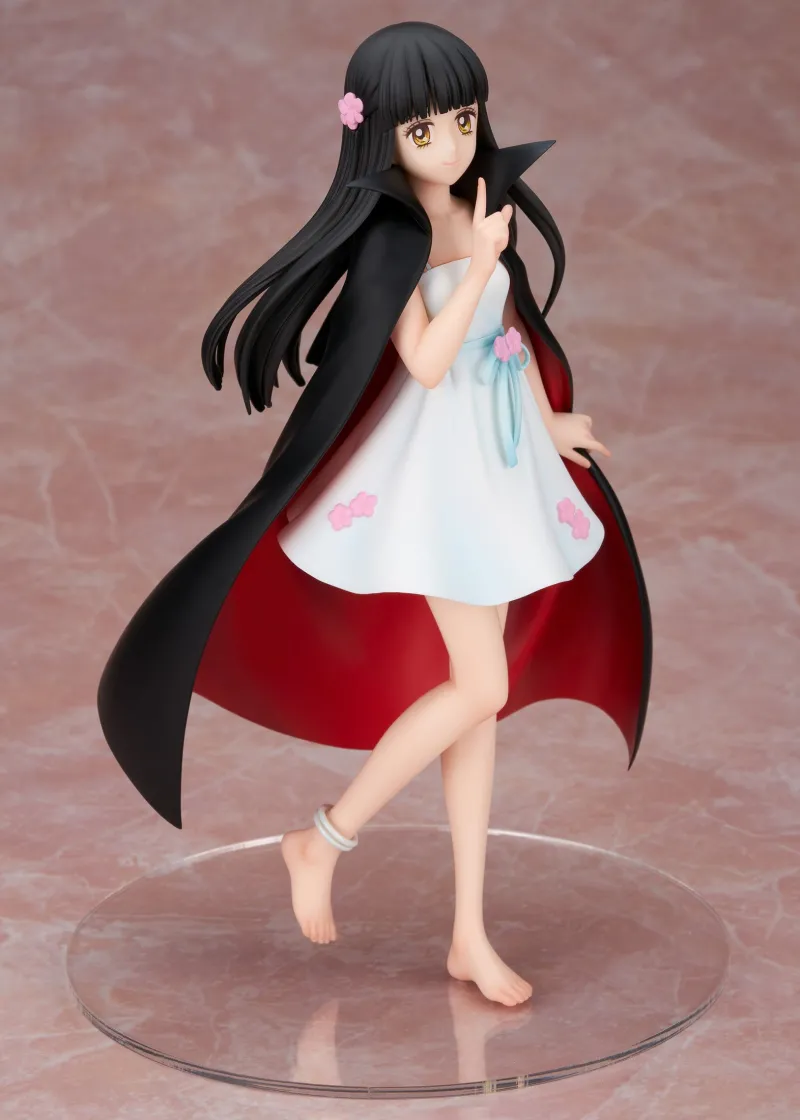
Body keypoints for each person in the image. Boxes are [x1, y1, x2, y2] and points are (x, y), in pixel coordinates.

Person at [97, 21, 652, 1009]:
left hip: (495, 462)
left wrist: (547, 420)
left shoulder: (481, 205)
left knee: (478, 707)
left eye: (463, 119)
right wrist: (475, 262)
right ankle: (324, 836)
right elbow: (427, 360)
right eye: (422, 128)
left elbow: (510, 334)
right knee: (480, 685)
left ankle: (468, 932)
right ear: (378, 132)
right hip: (435, 478)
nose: (448, 142)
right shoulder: (393, 238)